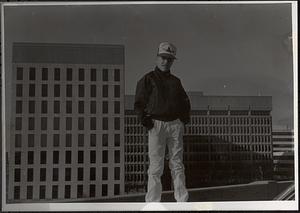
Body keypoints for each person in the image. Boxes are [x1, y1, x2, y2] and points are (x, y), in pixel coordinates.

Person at [134, 42, 190, 202]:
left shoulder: (176, 81)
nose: (166, 62)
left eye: (169, 59)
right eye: (163, 58)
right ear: (157, 57)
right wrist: (147, 122)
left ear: (172, 61)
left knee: (177, 164)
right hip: (156, 124)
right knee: (156, 166)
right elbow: (139, 103)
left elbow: (185, 101)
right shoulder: (148, 79)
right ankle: (152, 203)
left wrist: (182, 121)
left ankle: (182, 201)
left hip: (174, 125)